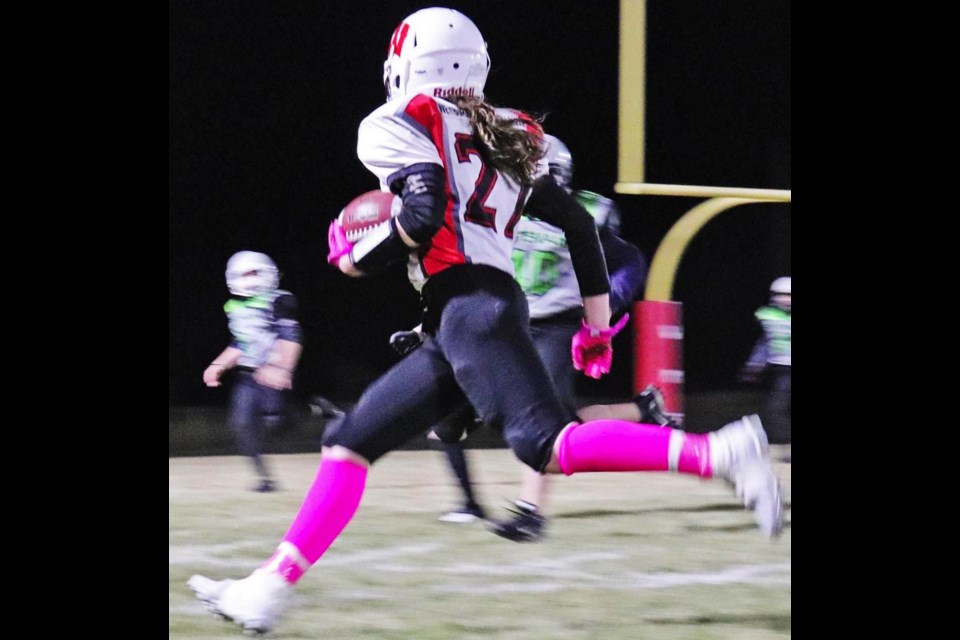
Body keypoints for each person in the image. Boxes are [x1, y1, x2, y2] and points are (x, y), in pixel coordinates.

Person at [189, 8, 783, 633]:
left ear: (407, 63)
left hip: (473, 309)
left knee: (547, 444)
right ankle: (267, 589)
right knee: (349, 443)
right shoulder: (509, 131)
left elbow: (421, 213)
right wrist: (599, 324)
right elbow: (579, 227)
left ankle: (720, 452)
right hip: (469, 312)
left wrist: (357, 257)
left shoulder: (397, 123)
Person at [391, 134, 671, 541]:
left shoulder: (581, 213)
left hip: (555, 324)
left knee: (547, 425)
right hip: (503, 318)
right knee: (447, 421)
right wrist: (428, 325)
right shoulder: (497, 211)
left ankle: (531, 512)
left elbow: (629, 261)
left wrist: (605, 308)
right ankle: (642, 410)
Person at [202, 250, 304, 493]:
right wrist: (218, 365)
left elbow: (291, 336)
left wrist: (282, 368)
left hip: (272, 375)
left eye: (254, 272)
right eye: (244, 274)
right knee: (240, 424)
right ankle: (265, 479)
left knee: (276, 423)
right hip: (248, 376)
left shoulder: (279, 300)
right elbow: (240, 343)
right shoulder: (234, 307)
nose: (250, 279)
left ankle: (309, 410)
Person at [740, 276, 791, 453]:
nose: (786, 300)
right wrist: (754, 365)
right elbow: (764, 343)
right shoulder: (769, 316)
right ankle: (786, 446)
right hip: (780, 369)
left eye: (789, 295)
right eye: (781, 295)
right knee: (777, 408)